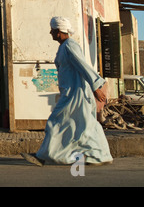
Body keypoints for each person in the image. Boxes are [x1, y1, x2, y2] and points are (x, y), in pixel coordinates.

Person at [21, 16, 113, 166]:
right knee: (86, 125)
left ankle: (43, 156)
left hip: (75, 94)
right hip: (71, 93)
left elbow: (84, 66)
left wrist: (96, 86)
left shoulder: (70, 46)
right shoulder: (64, 46)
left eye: (53, 30)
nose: (50, 32)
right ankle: (100, 155)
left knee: (55, 121)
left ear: (59, 31)